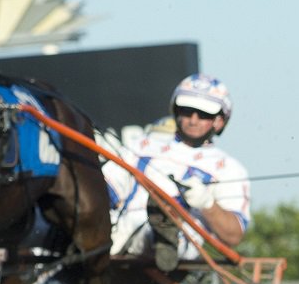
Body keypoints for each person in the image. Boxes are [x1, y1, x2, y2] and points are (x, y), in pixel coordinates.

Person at [104, 74, 248, 271]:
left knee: (152, 231)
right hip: (117, 227)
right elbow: (108, 189)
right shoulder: (140, 145)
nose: (193, 120)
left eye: (203, 114)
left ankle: (163, 232)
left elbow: (234, 235)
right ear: (176, 111)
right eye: (187, 111)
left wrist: (207, 203)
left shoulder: (228, 168)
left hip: (181, 243)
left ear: (219, 121)